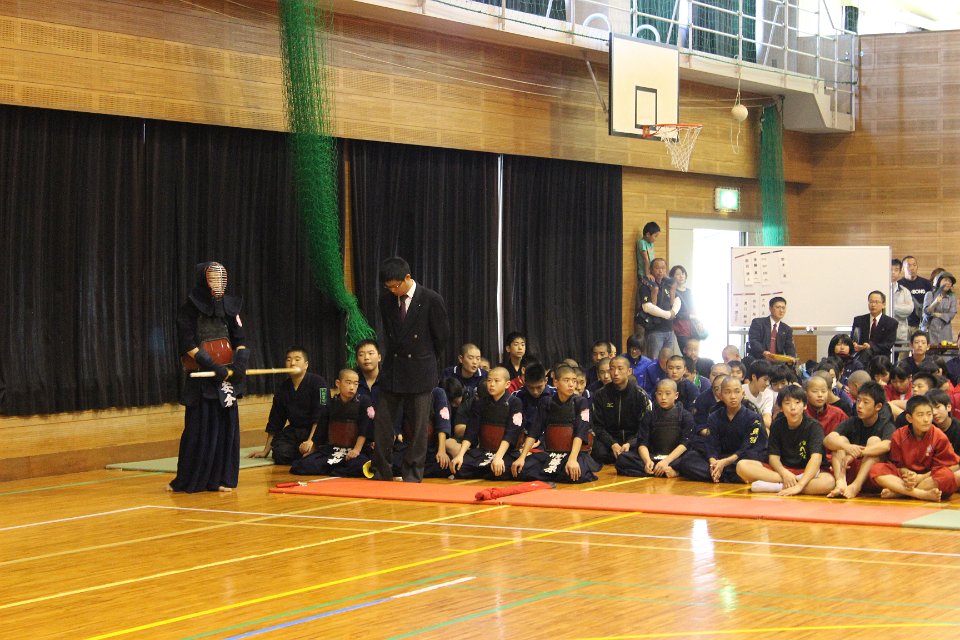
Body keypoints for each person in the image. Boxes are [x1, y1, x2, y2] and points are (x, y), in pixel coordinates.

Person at [169, 261, 250, 493]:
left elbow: (240, 339)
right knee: (198, 431)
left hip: (227, 377)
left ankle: (222, 479)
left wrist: (239, 364)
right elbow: (187, 344)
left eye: (221, 278)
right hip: (202, 376)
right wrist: (212, 365)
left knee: (227, 430)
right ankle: (191, 480)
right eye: (213, 278)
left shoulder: (230, 308)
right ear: (203, 280)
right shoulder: (189, 308)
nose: (218, 283)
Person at [369, 257, 450, 483]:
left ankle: (412, 473)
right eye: (388, 287)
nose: (393, 290)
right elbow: (389, 335)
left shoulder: (431, 299)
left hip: (420, 370)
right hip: (393, 369)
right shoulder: (385, 300)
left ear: (407, 277)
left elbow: (441, 337)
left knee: (419, 427)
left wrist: (426, 359)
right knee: (383, 424)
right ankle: (381, 471)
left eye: (396, 286)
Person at [737, 386, 835, 496]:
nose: (793, 407)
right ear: (781, 408)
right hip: (782, 471)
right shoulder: (777, 425)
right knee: (742, 466)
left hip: (807, 472)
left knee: (829, 482)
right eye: (787, 403)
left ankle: (778, 487)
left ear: (805, 406)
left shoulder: (814, 426)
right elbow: (773, 457)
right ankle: (789, 483)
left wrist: (800, 485)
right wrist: (784, 474)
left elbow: (816, 459)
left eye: (797, 402)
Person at [512, 364, 600, 483]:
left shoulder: (581, 402)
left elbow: (580, 432)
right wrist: (522, 457)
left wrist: (572, 459)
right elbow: (534, 432)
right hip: (551, 453)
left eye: (574, 381)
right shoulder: (546, 402)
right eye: (566, 380)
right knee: (522, 469)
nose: (571, 384)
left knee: (575, 474)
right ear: (556, 382)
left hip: (574, 453)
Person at [674, 376, 767, 484]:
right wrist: (713, 462)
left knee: (749, 460)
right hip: (722, 458)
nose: (733, 396)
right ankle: (723, 474)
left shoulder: (753, 417)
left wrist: (725, 462)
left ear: (743, 394)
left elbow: (749, 447)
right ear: (721, 395)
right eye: (727, 392)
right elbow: (711, 444)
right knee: (688, 459)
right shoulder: (714, 416)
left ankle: (720, 474)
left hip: (741, 459)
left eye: (737, 392)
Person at [868, 395, 959, 502]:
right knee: (876, 469)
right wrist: (908, 474)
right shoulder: (899, 435)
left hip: (928, 478)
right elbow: (896, 465)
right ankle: (920, 494)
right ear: (909, 418)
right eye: (920, 415)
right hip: (905, 479)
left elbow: (951, 465)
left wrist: (921, 477)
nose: (926, 419)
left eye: (929, 414)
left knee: (947, 477)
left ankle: (900, 493)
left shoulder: (939, 436)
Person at [249, 347, 328, 465]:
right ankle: (307, 455)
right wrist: (265, 451)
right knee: (279, 453)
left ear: (306, 365)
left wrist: (311, 441)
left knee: (318, 447)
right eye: (289, 360)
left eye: (297, 359)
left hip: (317, 431)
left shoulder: (319, 383)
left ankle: (314, 452)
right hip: (296, 431)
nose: (292, 363)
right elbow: (276, 420)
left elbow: (321, 413)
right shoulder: (283, 388)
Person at [290, 369, 374, 478]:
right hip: (333, 449)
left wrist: (356, 450)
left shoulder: (363, 401)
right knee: (300, 465)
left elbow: (364, 428)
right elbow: (321, 429)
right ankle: (338, 469)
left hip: (355, 450)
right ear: (338, 383)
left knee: (360, 465)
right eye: (348, 383)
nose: (352, 387)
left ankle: (335, 469)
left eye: (355, 384)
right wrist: (312, 451)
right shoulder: (330, 403)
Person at [823, 381, 895, 499]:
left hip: (873, 475)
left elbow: (886, 445)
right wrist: (847, 447)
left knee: (874, 441)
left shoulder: (886, 425)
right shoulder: (853, 421)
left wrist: (856, 453)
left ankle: (856, 486)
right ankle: (840, 483)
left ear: (878, 407)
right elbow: (828, 440)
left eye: (865, 402)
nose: (859, 406)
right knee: (840, 441)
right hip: (849, 470)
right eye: (858, 400)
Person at [450, 368, 525, 480]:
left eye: (496, 381)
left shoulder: (515, 403)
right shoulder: (480, 403)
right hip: (483, 451)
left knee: (501, 471)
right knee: (459, 468)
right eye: (489, 380)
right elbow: (471, 431)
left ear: (507, 384)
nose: (492, 384)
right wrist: (460, 455)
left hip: (505, 453)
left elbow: (511, 433)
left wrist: (498, 457)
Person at [615, 379, 695, 477]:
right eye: (659, 394)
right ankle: (660, 471)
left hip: (675, 458)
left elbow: (685, 444)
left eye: (667, 394)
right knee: (622, 459)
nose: (663, 397)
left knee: (690, 461)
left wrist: (666, 461)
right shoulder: (649, 415)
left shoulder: (685, 415)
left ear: (676, 395)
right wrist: (647, 461)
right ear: (656, 395)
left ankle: (672, 471)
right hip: (654, 457)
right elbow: (642, 442)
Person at [591, 356, 651, 464]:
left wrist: (630, 443)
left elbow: (645, 427)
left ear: (629, 371)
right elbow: (597, 426)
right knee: (599, 454)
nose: (615, 373)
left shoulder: (640, 395)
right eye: (612, 369)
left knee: (641, 450)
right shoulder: (600, 395)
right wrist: (612, 443)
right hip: (610, 440)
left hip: (633, 440)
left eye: (620, 368)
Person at [639, 258, 680, 357]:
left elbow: (677, 300)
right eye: (657, 268)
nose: (660, 271)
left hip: (669, 329)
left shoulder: (668, 284)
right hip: (655, 331)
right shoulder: (646, 285)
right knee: (654, 359)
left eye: (663, 268)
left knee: (668, 360)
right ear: (651, 270)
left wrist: (673, 312)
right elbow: (647, 307)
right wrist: (668, 315)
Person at [747, 297, 796, 363]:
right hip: (759, 360)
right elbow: (753, 341)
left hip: (777, 363)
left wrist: (791, 358)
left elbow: (790, 347)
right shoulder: (758, 323)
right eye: (778, 307)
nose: (781, 310)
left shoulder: (787, 329)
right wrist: (763, 352)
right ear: (770, 309)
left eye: (783, 308)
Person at [851, 290, 898, 360]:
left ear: (883, 305)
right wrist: (854, 344)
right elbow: (854, 338)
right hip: (861, 354)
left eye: (876, 302)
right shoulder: (859, 320)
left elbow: (888, 344)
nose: (873, 305)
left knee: (867, 353)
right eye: (871, 302)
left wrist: (870, 347)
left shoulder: (891, 322)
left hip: (881, 357)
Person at [921, 271, 957, 345]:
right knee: (930, 350)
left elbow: (951, 314)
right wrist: (935, 303)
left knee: (946, 350)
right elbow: (926, 312)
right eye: (945, 280)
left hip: (945, 331)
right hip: (930, 330)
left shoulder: (952, 297)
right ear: (938, 281)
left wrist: (937, 314)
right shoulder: (930, 294)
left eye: (950, 281)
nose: (948, 283)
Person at [670, 265, 699, 352]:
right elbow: (674, 311)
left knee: (695, 353)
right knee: (686, 352)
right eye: (678, 274)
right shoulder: (672, 292)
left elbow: (692, 307)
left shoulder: (689, 291)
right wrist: (690, 316)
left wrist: (698, 321)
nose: (681, 276)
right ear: (672, 277)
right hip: (681, 326)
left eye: (683, 273)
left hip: (693, 326)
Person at [899, 255, 932, 330]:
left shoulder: (926, 283)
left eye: (914, 265)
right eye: (909, 265)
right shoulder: (899, 285)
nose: (912, 268)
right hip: (904, 324)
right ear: (903, 268)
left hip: (923, 324)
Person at [742, 359, 775, 431]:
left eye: (769, 380)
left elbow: (768, 422)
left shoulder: (768, 393)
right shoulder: (741, 390)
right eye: (765, 380)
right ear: (754, 376)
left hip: (757, 429)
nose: (767, 383)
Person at [890, 259, 915, 346]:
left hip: (899, 333)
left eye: (896, 270)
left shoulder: (904, 291)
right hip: (881, 334)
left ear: (900, 272)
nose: (893, 272)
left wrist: (890, 306)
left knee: (898, 355)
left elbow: (909, 309)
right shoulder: (880, 289)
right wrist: (900, 308)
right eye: (890, 269)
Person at [928, 388, 960, 455]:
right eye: (930, 409)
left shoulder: (958, 429)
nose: (934, 412)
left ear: (948, 407)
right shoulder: (926, 428)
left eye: (937, 407)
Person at [354, 339, 381, 405]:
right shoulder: (352, 381)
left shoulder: (388, 379)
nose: (366, 357)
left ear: (379, 357)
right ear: (356, 360)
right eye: (361, 354)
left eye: (370, 353)